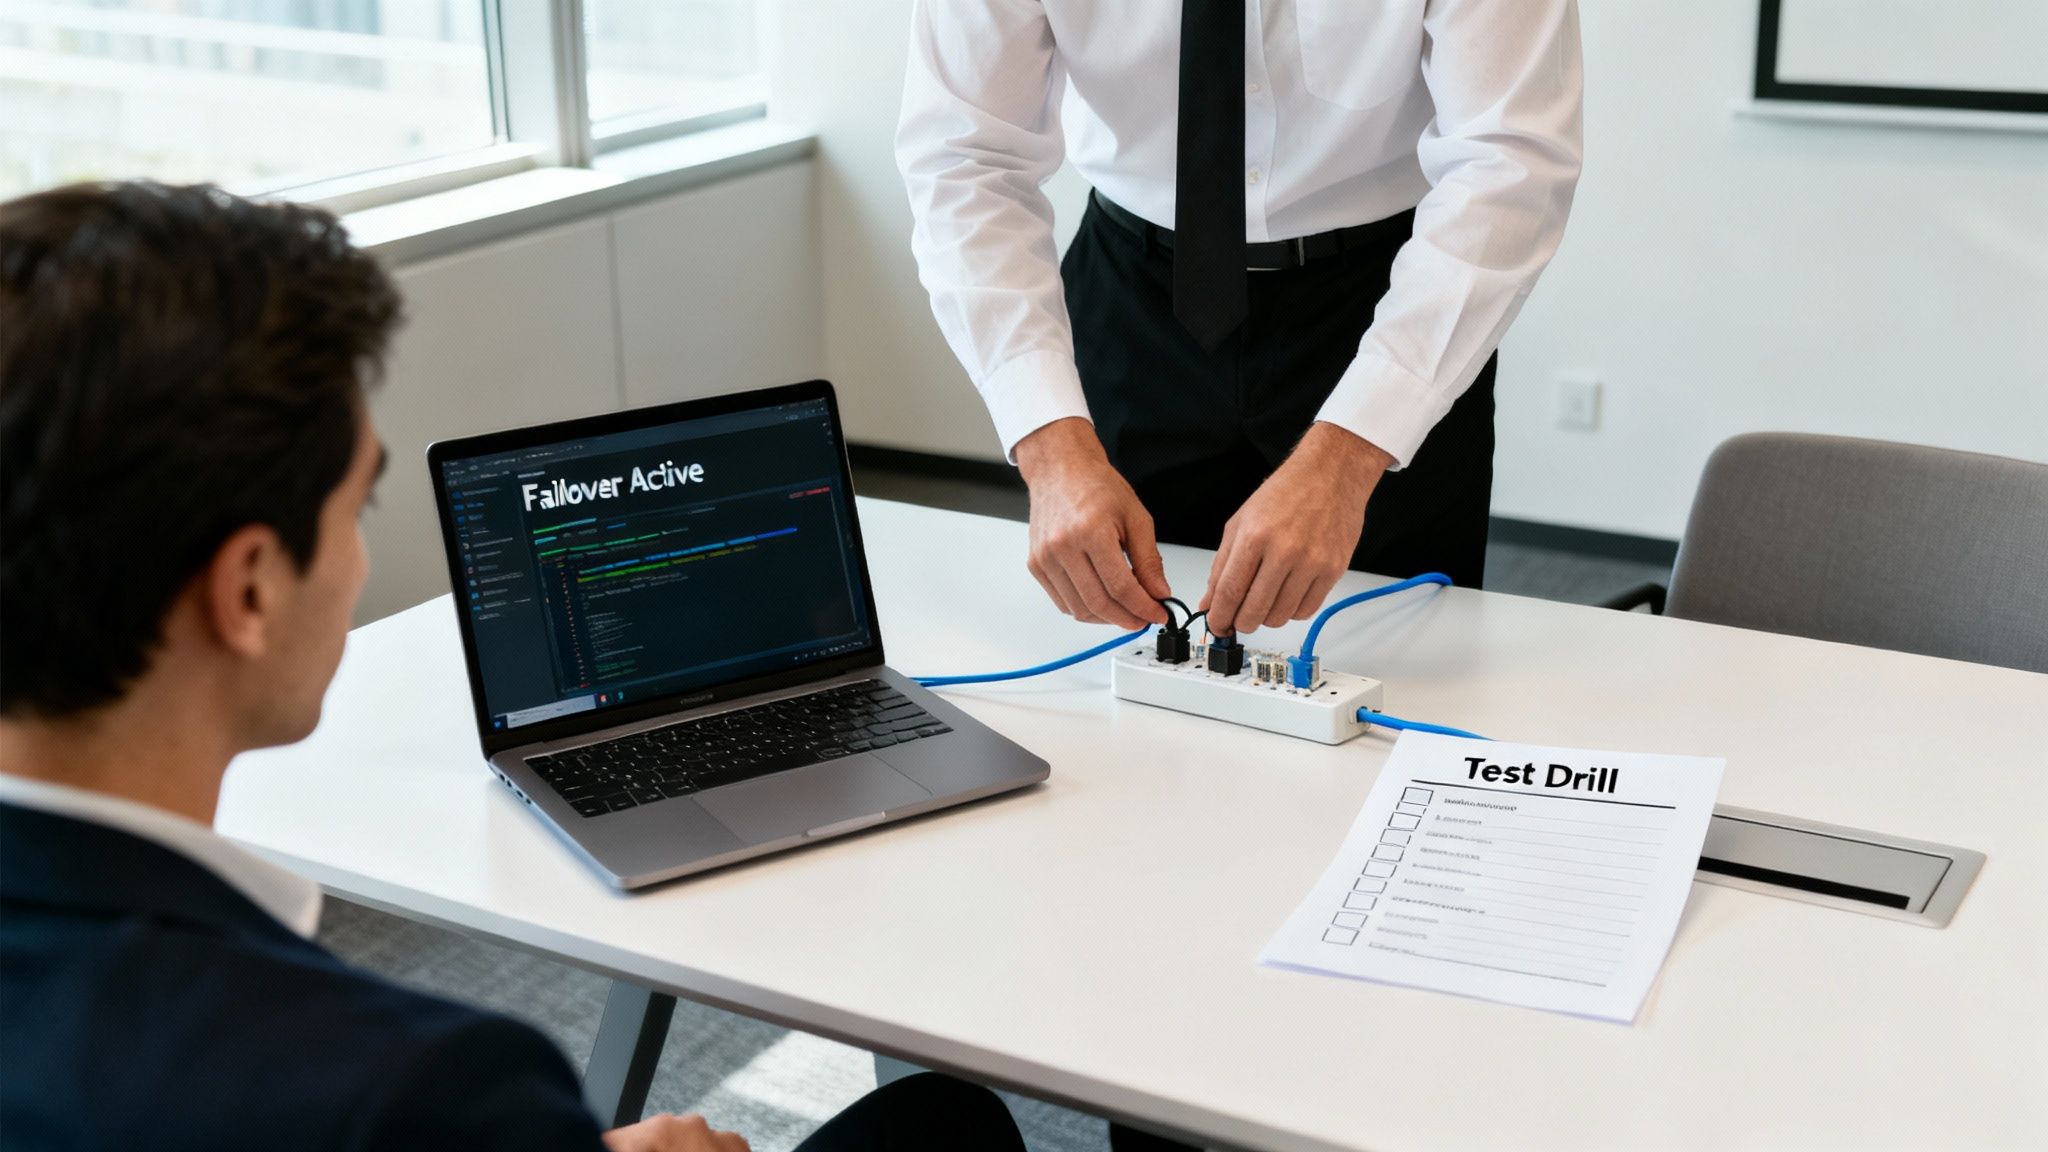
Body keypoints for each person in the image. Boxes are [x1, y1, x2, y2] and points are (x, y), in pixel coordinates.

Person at [0, 181, 1027, 1152]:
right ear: (251, 589)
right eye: (356, 506)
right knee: (946, 1125)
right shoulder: (417, 1089)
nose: (359, 558)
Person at [897, 0, 1585, 639]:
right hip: (1130, 299)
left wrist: (1350, 456)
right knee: (1125, 646)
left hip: (1385, 310)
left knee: (1400, 650)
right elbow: (963, 157)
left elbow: (1509, 161)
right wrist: (1050, 449)